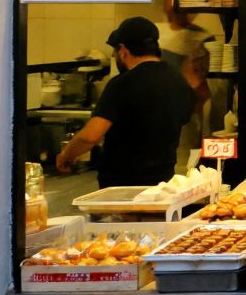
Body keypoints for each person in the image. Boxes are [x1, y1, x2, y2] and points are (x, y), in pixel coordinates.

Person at [55, 17, 196, 188]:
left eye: (114, 50)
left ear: (123, 50)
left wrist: (66, 155)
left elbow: (89, 136)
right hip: (163, 185)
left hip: (121, 189)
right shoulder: (178, 80)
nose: (114, 55)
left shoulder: (122, 83)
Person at [158, 0, 214, 171]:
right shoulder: (156, 32)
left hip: (185, 111)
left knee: (183, 164)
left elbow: (202, 84)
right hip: (159, 110)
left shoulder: (202, 37)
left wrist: (194, 106)